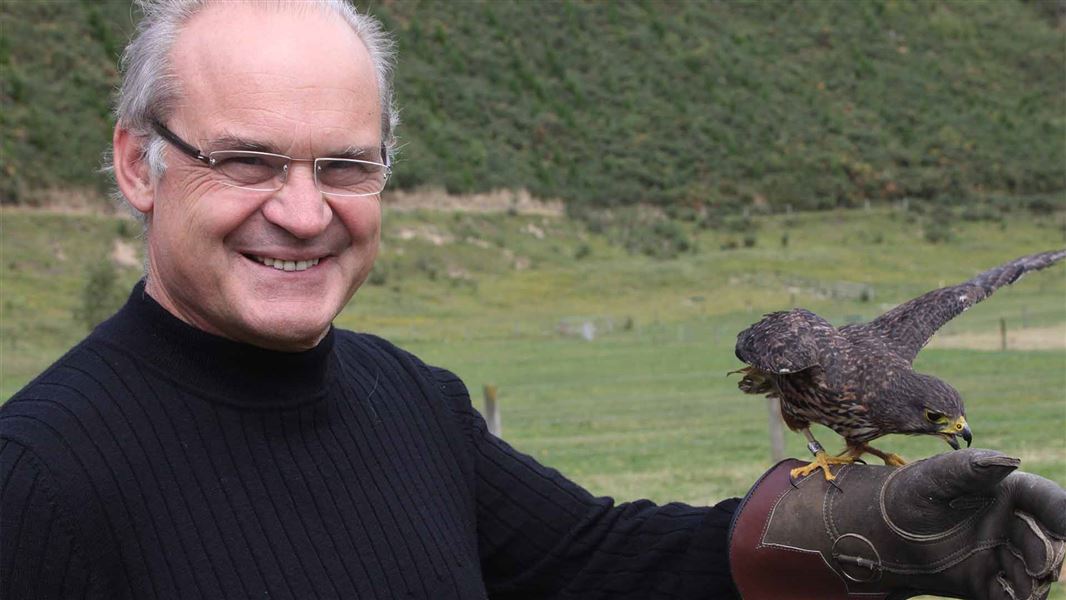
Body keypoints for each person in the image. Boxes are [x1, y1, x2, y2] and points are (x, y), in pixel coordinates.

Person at [1, 2, 1062, 599]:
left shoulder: (407, 400)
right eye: (247, 160)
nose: (302, 210)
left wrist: (845, 532)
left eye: (346, 166)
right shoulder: (39, 481)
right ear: (139, 166)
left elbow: (590, 562)